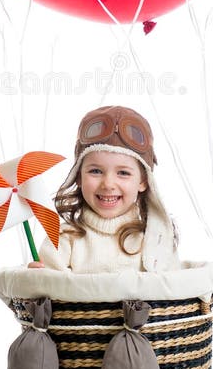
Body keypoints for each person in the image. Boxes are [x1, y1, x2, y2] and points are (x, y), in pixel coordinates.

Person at [30, 105, 180, 273]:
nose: (108, 184)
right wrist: (36, 278)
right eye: (95, 171)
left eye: (123, 173)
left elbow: (172, 287)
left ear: (143, 181)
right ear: (78, 176)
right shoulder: (63, 239)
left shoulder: (155, 239)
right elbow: (49, 288)